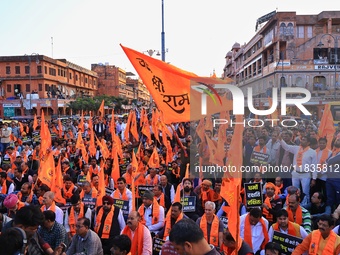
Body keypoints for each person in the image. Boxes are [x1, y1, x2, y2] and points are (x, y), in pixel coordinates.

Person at [278, 134, 317, 205]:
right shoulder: (296, 148)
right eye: (302, 139)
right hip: (295, 173)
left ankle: (306, 206)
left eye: (304, 140)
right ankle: (295, 205)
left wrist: (314, 178)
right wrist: (280, 139)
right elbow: (286, 147)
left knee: (305, 192)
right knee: (294, 191)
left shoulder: (312, 152)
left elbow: (314, 166)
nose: (302, 141)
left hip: (305, 174)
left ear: (308, 143)